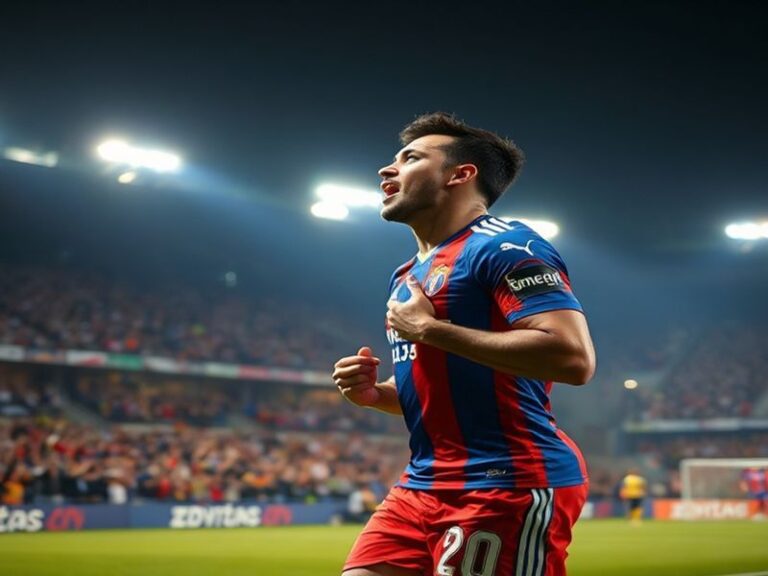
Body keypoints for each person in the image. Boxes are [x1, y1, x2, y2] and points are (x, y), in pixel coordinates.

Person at [332, 112, 596, 576]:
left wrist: (431, 330)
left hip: (506, 481)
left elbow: (572, 358)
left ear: (460, 174)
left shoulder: (506, 245)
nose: (386, 170)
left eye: (410, 158)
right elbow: (446, 382)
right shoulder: (405, 275)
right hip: (422, 484)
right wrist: (378, 396)